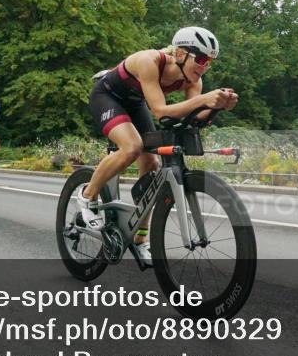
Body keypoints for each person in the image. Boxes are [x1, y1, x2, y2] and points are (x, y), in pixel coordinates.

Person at [76, 26, 237, 265]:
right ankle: (87, 196)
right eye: (201, 59)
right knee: (132, 147)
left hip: (135, 102)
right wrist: (204, 100)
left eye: (209, 62)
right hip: (107, 96)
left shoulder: (194, 80)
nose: (204, 67)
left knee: (151, 163)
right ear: (181, 54)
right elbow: (161, 112)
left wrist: (216, 107)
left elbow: (190, 118)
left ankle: (140, 240)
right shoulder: (149, 60)